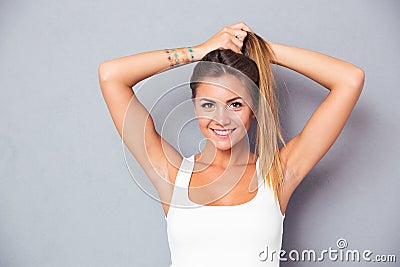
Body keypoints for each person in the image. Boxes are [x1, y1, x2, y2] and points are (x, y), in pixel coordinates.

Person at [98, 22, 364, 267]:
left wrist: (259, 49)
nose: (221, 119)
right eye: (208, 105)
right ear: (194, 107)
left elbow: (349, 80)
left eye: (235, 104)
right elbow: (111, 76)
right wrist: (199, 51)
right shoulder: (173, 175)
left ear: (255, 107)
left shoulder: (279, 174)